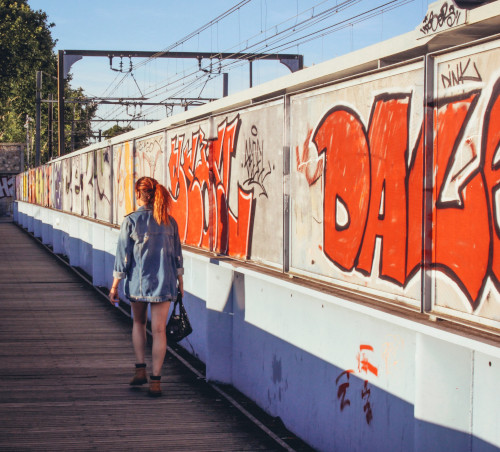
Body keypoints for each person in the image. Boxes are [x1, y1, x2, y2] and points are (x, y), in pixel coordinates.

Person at [109, 176, 184, 397]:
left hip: (138, 282)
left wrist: (114, 286)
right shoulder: (170, 221)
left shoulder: (131, 221)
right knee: (159, 331)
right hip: (165, 281)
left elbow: (123, 257)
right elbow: (177, 256)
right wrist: (180, 282)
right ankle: (156, 381)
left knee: (139, 323)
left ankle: (140, 370)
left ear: (139, 194)